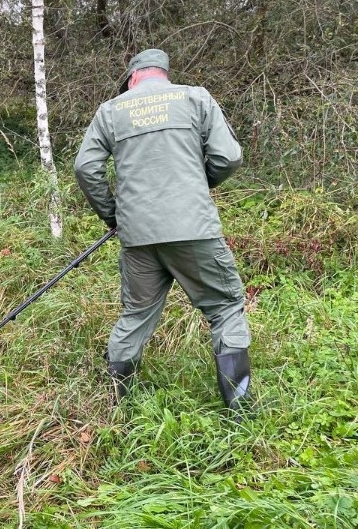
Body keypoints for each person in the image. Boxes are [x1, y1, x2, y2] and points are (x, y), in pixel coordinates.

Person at [74, 48, 252, 412]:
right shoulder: (195, 98)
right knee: (225, 307)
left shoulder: (111, 110)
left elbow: (85, 168)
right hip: (194, 231)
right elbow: (229, 157)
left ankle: (120, 404)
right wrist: (201, 183)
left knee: (136, 315)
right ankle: (240, 409)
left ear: (133, 77)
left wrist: (114, 216)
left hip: (137, 237)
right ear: (164, 74)